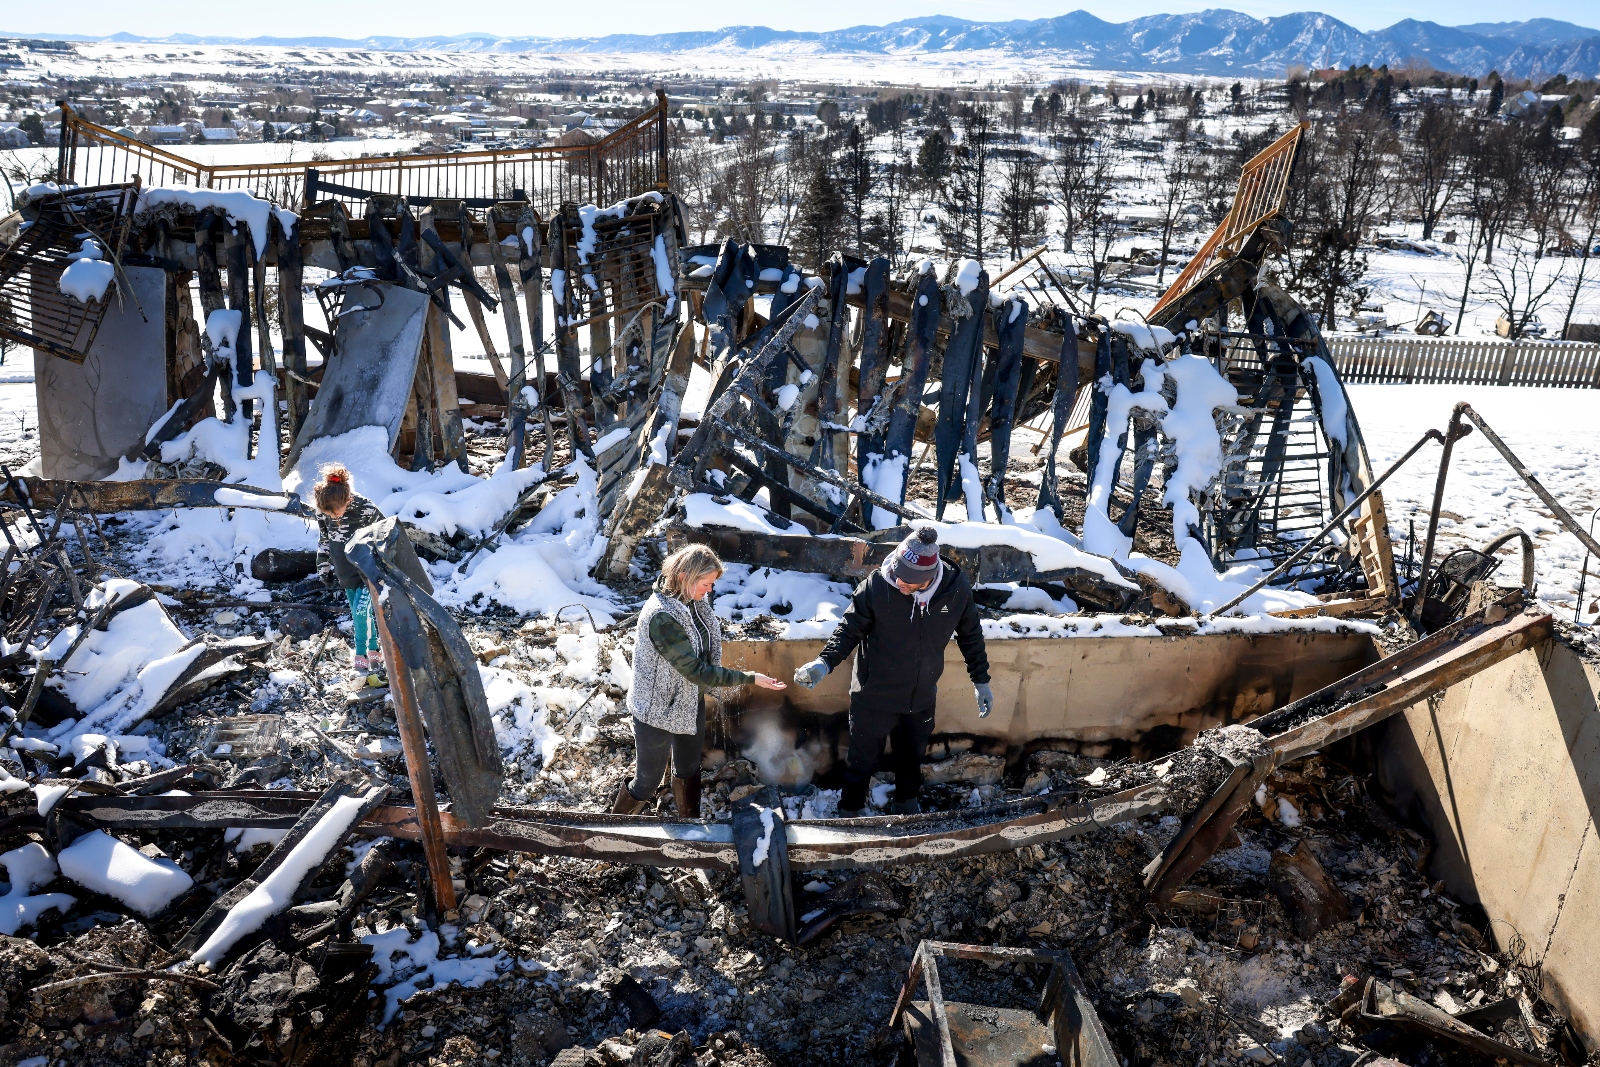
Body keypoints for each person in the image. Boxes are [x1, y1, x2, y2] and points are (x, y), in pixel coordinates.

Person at [793, 525, 991, 817]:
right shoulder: (876, 587)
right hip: (874, 696)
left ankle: (906, 807)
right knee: (861, 762)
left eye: (907, 581)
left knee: (911, 759)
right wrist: (824, 662)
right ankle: (850, 812)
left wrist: (981, 680)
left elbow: (971, 634)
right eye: (897, 574)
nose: (898, 581)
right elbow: (848, 630)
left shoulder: (955, 589)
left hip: (920, 698)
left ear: (927, 579)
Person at [618, 544, 786, 817]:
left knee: (688, 769)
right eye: (705, 584)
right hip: (655, 710)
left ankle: (691, 832)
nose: (709, 591)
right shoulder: (662, 616)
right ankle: (611, 834)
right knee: (646, 783)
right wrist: (750, 678)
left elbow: (703, 648)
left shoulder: (692, 601)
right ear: (684, 576)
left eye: (711, 585)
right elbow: (696, 671)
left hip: (687, 700)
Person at [312, 463, 387, 681]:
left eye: (337, 514)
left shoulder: (367, 509)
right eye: (329, 515)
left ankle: (361, 655)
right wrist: (323, 565)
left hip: (366, 570)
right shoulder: (324, 509)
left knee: (361, 611)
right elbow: (324, 539)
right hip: (344, 569)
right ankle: (374, 652)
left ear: (348, 500)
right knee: (358, 613)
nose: (334, 518)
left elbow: (386, 534)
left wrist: (381, 566)